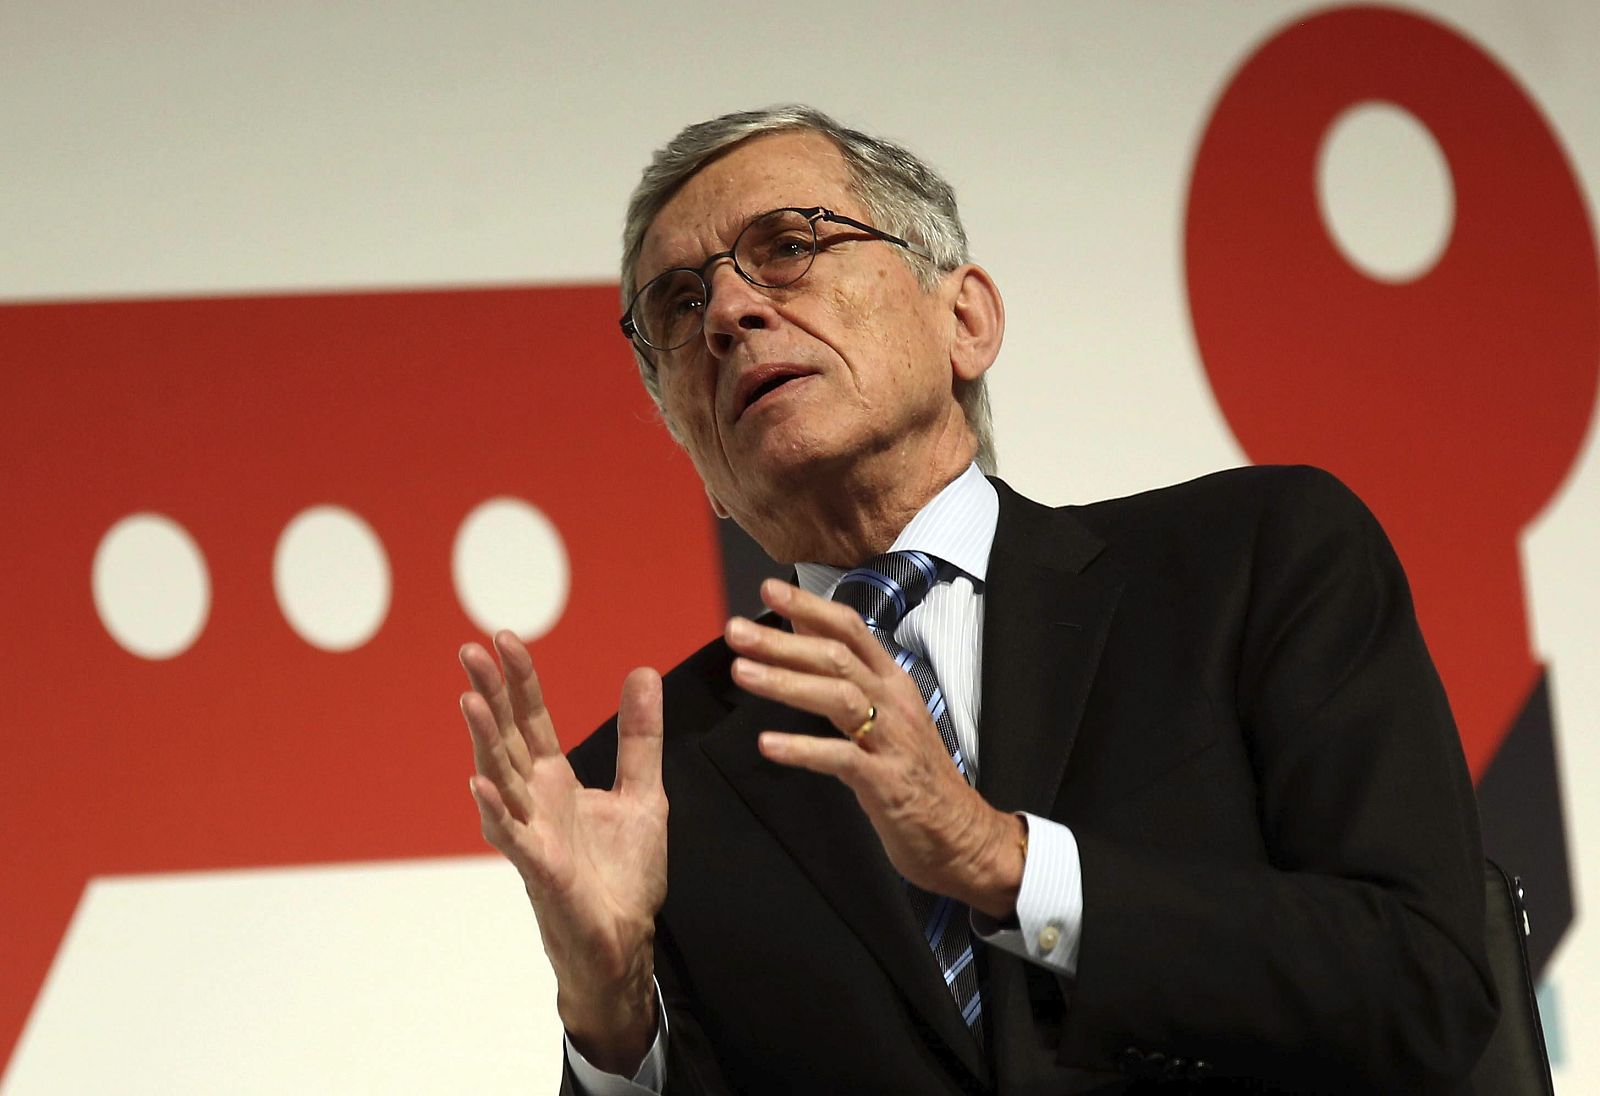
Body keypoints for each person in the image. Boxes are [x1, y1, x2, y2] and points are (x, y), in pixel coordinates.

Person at [457, 106, 1497, 1094]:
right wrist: (608, 1014)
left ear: (964, 318)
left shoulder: (1251, 561)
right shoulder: (645, 783)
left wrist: (1002, 861)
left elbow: (1425, 989)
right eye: (676, 306)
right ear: (694, 456)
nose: (728, 311)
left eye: (787, 245)